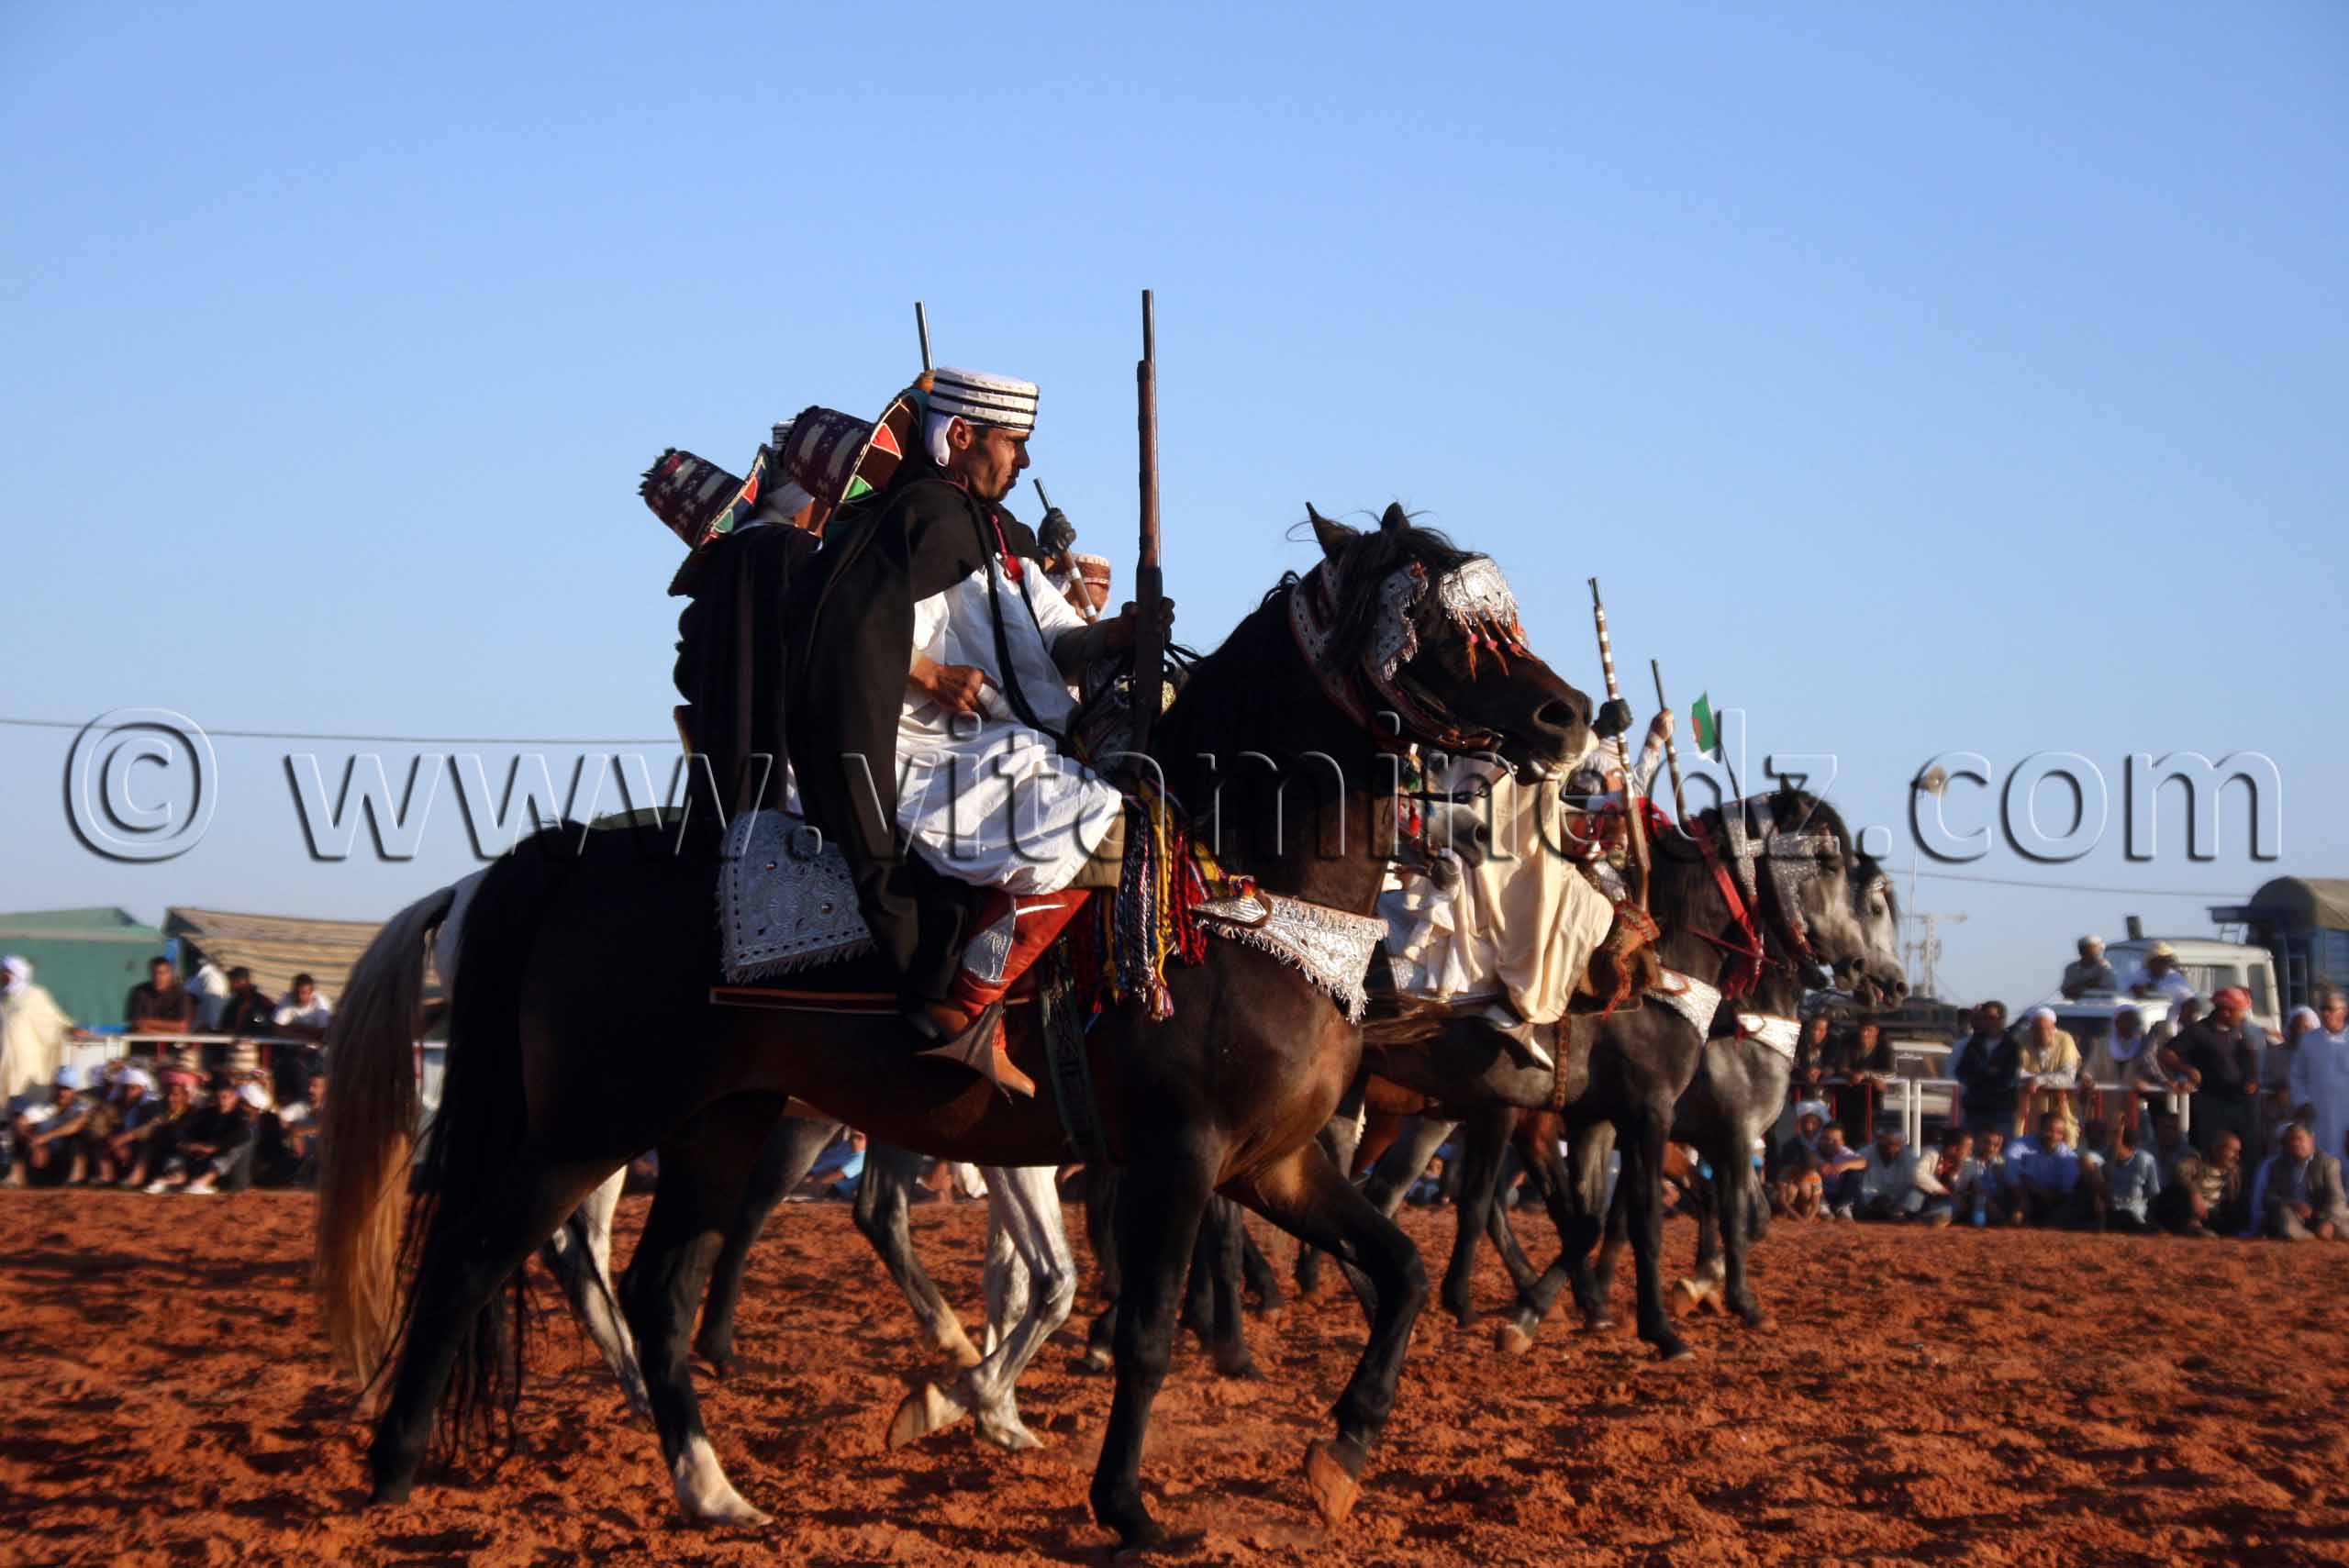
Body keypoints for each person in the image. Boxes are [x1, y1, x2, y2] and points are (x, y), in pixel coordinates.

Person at [783, 366, 1164, 1089]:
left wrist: (1120, 634)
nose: (1024, 461)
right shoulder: (912, 521)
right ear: (960, 436)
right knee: (1097, 815)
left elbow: (1055, 639)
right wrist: (927, 675)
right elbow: (851, 636)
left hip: (1015, 736)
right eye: (1013, 443)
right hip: (929, 748)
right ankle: (965, 1006)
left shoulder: (1003, 532)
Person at [2165, 985, 2262, 1159]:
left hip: (2244, 1105)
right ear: (2226, 1012)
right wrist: (2188, 1070)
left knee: (2249, 1154)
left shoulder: (2243, 1031)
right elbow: (2167, 1053)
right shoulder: (2198, 1031)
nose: (2243, 1016)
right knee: (2212, 1153)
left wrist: (2252, 1082)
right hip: (2212, 1105)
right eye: (2240, 1011)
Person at [143, 1073, 257, 1195]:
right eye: (218, 1098)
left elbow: (242, 1135)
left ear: (235, 1098)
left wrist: (213, 1148)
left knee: (243, 1142)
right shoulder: (206, 1114)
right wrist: (190, 1145)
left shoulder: (240, 1117)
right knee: (179, 1148)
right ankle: (166, 1180)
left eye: (225, 1097)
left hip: (225, 1170)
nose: (221, 1102)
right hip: (202, 1160)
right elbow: (184, 1131)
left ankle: (201, 1182)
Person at [2257, 1120, 2349, 1241]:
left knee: (2344, 1228)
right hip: (2292, 1216)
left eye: (2299, 1139)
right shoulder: (2277, 1165)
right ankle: (2310, 1239)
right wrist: (2290, 1204)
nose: (2296, 1143)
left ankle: (2313, 1236)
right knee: (2283, 1219)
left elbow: (2337, 1198)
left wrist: (2329, 1222)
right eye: (2291, 1140)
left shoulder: (2328, 1163)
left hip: (2320, 1216)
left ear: (2311, 1140)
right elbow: (2268, 1197)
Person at [10, 1064, 96, 1185]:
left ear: (73, 1091)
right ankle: (16, 1177)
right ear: (53, 1088)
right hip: (43, 1159)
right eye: (59, 1088)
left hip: (66, 1158)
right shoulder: (43, 1108)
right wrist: (35, 1144)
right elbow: (20, 1122)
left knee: (81, 1135)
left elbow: (77, 1125)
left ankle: (76, 1178)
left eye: (66, 1089)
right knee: (19, 1137)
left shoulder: (81, 1107)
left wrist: (43, 1138)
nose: (62, 1093)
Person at [2156, 1129, 2247, 1237]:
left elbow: (2234, 1200)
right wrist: (2195, 1193)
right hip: (2191, 1211)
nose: (2237, 1157)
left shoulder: (2234, 1173)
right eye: (2233, 1151)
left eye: (2239, 1152)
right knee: (2173, 1193)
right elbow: (2180, 1171)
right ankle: (2191, 1227)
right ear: (2216, 1149)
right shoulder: (2197, 1162)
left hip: (2213, 1216)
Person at [1947, 1002, 2018, 1135]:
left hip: (2001, 1110)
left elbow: (2009, 1077)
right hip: (1975, 1109)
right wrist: (1987, 1072)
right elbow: (1962, 1072)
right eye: (1984, 1018)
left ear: (2001, 1019)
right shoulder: (1971, 1044)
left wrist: (1983, 1073)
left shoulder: (2012, 1045)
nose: (1987, 1022)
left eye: (1992, 1018)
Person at [2012, 1111, 2092, 1229]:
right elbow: (2019, 1178)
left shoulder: (2067, 1156)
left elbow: (2066, 1191)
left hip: (2058, 1201)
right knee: (2018, 1208)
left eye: (2059, 1132)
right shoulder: (2024, 1149)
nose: (2053, 1136)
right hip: (2033, 1197)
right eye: (2049, 1130)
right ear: (2040, 1129)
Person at [2012, 1007, 2081, 1142]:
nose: (2043, 1033)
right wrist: (2031, 1080)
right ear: (2031, 1029)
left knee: (2067, 1140)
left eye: (2047, 1028)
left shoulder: (2065, 1040)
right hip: (2028, 1105)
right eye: (2038, 1029)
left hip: (2060, 1104)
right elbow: (2013, 1069)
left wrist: (2038, 1080)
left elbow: (2068, 1076)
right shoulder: (2020, 1039)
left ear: (2054, 1028)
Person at [1822, 1018, 1893, 1146]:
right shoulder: (1848, 1042)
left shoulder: (1884, 1046)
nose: (1863, 1033)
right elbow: (1841, 1067)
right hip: (1846, 1096)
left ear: (1876, 1032)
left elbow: (1890, 1072)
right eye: (1861, 1029)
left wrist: (1865, 1075)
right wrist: (1851, 1074)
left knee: (1865, 1135)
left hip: (1870, 1100)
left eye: (1868, 1030)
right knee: (1843, 1134)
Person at [2099, 1118, 2161, 1232]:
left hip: (2135, 1219)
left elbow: (2153, 1195)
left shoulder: (2145, 1159)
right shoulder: (2103, 1157)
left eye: (2113, 1136)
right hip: (2111, 1216)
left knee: (2126, 1217)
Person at [124, 957, 194, 1037]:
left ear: (170, 974)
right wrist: (169, 1031)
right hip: (143, 1044)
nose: (157, 977)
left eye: (161, 973)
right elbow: (137, 1024)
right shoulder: (139, 992)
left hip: (172, 1045)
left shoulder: (181, 994)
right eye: (154, 973)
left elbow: (183, 1026)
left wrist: (149, 1023)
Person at [1815, 1125, 1868, 1219]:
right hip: (1821, 1194)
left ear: (1842, 1142)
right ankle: (1822, 1206)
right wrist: (1818, 1166)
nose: (1829, 1143)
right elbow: (1809, 1159)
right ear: (1820, 1139)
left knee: (1856, 1173)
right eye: (1825, 1138)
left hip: (1841, 1194)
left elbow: (1863, 1162)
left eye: (1835, 1140)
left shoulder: (1844, 1152)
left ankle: (1842, 1206)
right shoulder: (1814, 1152)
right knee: (1811, 1173)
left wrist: (1845, 1165)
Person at [2129, 941, 2195, 1006]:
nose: (2164, 964)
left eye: (2167, 960)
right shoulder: (2142, 974)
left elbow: (2188, 997)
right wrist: (2144, 988)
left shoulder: (2175, 977)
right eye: (2161, 960)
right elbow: (2131, 990)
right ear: (2151, 962)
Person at [2062, 935, 2118, 999]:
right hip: (2078, 1003)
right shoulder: (2072, 968)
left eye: (2094, 948)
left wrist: (2082, 987)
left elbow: (2107, 989)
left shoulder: (2106, 966)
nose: (2086, 952)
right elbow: (2066, 990)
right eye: (2084, 949)